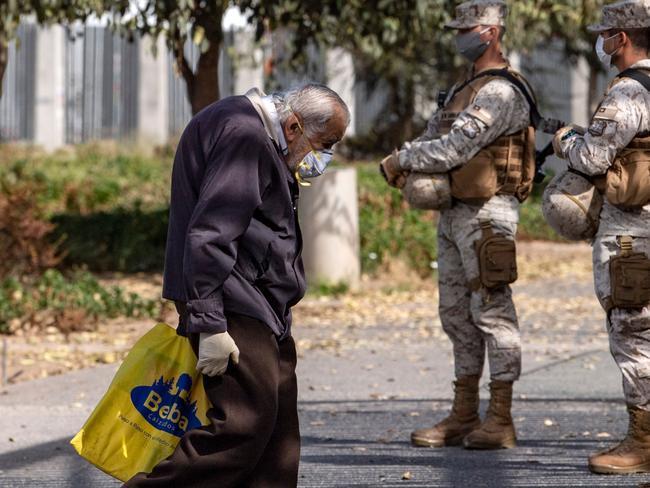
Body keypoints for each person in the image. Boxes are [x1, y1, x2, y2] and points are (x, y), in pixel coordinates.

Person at [123, 83, 349, 487]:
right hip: (234, 300)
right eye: (326, 143)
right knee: (241, 427)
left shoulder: (254, 130)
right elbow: (210, 234)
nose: (324, 157)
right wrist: (209, 322)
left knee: (277, 436)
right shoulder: (246, 135)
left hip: (260, 302)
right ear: (294, 126)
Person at [381, 0, 539, 450]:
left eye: (465, 29)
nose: (458, 37)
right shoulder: (461, 89)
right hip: (454, 213)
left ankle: (501, 418)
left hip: (489, 214)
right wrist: (410, 156)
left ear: (489, 32)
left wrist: (401, 160)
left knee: (493, 313)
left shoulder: (501, 91)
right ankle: (465, 413)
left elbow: (453, 149)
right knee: (455, 314)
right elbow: (434, 135)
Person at [552, 0, 650, 474]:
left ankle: (643, 442)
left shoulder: (628, 92)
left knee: (632, 333)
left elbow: (591, 158)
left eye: (606, 33)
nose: (603, 43)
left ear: (622, 39)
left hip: (634, 235)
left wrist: (564, 138)